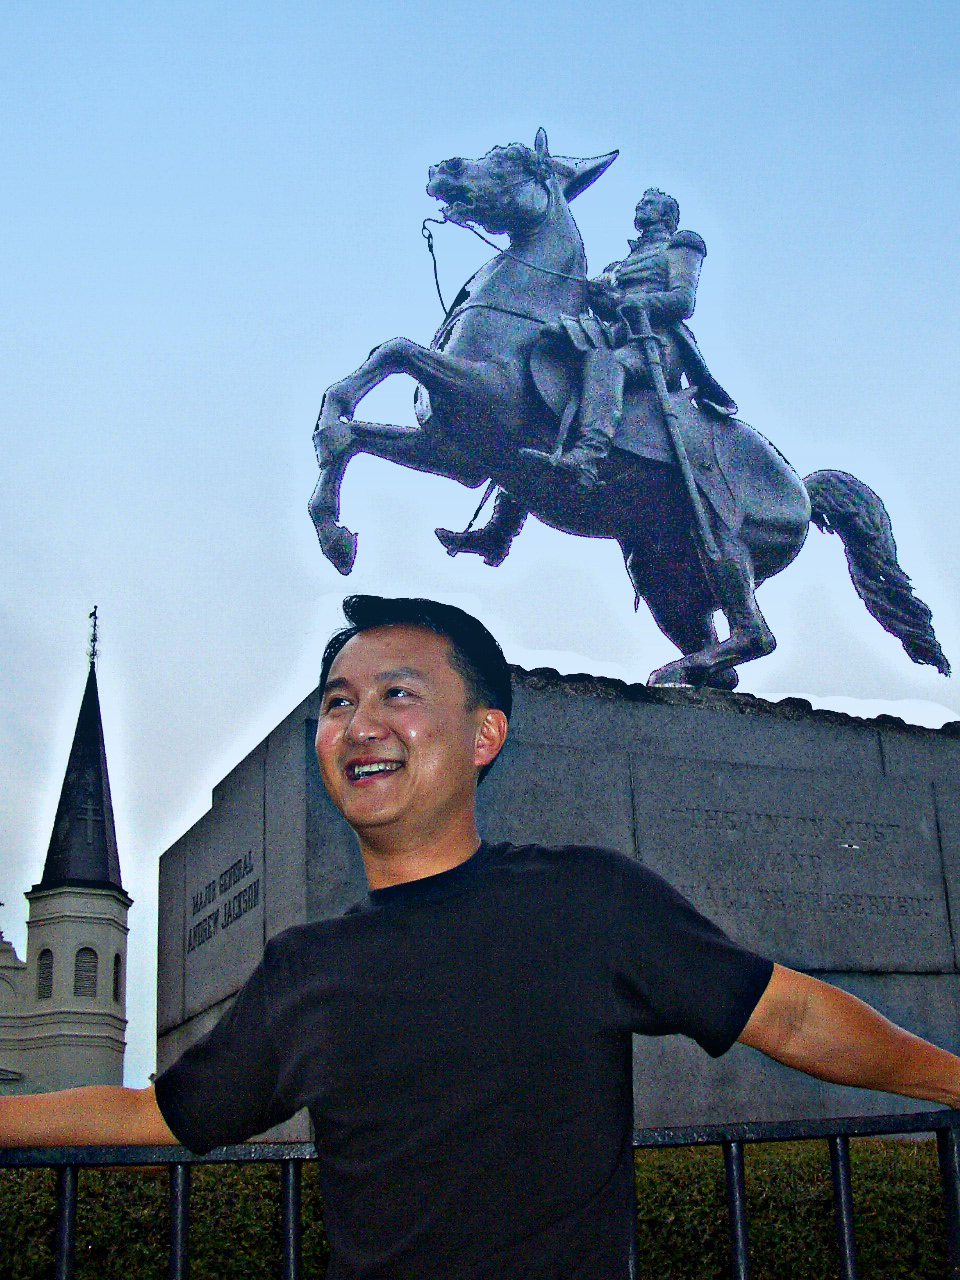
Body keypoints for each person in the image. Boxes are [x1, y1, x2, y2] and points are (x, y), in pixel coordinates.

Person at [2, 594, 959, 1280]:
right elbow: (160, 1117)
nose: (358, 721)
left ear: (485, 736)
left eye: (397, 694)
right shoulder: (306, 970)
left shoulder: (590, 901)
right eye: (338, 701)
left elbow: (788, 1016)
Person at [436, 188, 737, 564]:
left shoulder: (682, 244)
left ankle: (588, 456)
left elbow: (682, 300)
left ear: (667, 215)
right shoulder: (619, 261)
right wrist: (600, 296)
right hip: (617, 335)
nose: (640, 205)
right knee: (542, 395)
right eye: (639, 201)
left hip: (656, 344)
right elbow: (605, 305)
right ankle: (501, 531)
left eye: (649, 202)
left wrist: (633, 303)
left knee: (605, 364)